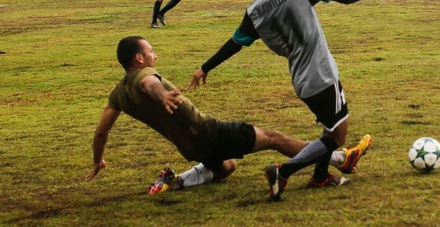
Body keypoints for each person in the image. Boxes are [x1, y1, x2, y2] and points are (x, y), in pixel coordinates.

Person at [188, 0, 394, 200]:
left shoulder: (254, 10)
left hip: (300, 78)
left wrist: (204, 67)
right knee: (338, 136)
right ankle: (283, 171)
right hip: (322, 74)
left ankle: (320, 177)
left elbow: (235, 44)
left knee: (329, 129)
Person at [88, 36, 365, 194]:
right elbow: (150, 84)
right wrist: (162, 95)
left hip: (190, 146)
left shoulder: (118, 93)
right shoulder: (144, 76)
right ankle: (339, 157)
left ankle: (177, 179)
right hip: (208, 131)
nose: (154, 55)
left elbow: (102, 131)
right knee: (272, 137)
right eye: (150, 51)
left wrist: (98, 159)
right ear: (138, 59)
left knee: (227, 167)